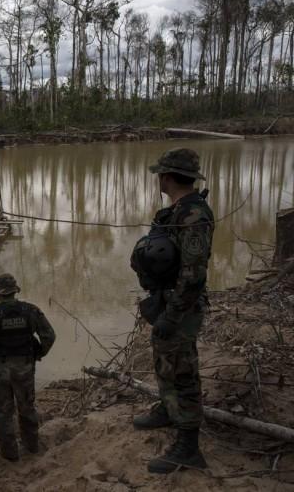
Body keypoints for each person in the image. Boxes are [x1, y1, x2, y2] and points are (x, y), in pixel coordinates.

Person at [130, 148, 214, 474]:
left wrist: (173, 315)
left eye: (159, 174)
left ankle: (188, 447)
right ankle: (168, 408)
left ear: (167, 177)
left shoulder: (194, 215)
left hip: (181, 308)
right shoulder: (176, 211)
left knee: (183, 372)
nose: (158, 179)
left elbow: (194, 275)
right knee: (166, 362)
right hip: (167, 301)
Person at [0, 273, 56, 461]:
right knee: (27, 407)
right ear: (15, 291)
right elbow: (49, 335)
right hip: (24, 365)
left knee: (4, 412)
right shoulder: (31, 311)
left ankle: (10, 455)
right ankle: (32, 447)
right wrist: (38, 353)